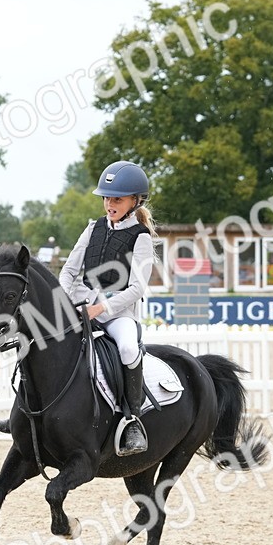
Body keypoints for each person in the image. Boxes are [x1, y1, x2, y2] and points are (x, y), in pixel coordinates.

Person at [60, 160, 158, 455]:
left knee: (127, 348)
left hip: (118, 314)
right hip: (81, 305)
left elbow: (137, 289)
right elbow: (69, 271)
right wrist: (66, 301)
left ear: (134, 201)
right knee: (43, 338)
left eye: (117, 199)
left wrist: (100, 309)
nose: (109, 204)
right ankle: (26, 412)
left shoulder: (140, 237)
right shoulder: (93, 228)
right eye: (107, 198)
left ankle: (132, 419)